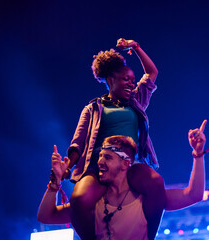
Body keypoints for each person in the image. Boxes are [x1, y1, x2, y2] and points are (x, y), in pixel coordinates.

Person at [61, 38, 164, 240]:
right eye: (126, 79)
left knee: (156, 184)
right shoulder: (93, 108)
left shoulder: (137, 101)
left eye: (133, 80)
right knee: (79, 199)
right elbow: (77, 143)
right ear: (110, 80)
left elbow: (152, 73)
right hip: (99, 167)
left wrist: (136, 48)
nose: (131, 83)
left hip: (130, 164)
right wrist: (67, 166)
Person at [37, 120, 209, 240]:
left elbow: (194, 195)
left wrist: (198, 154)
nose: (100, 162)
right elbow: (45, 216)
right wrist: (55, 184)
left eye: (108, 157)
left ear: (125, 164)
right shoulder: (93, 201)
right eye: (100, 156)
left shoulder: (144, 198)